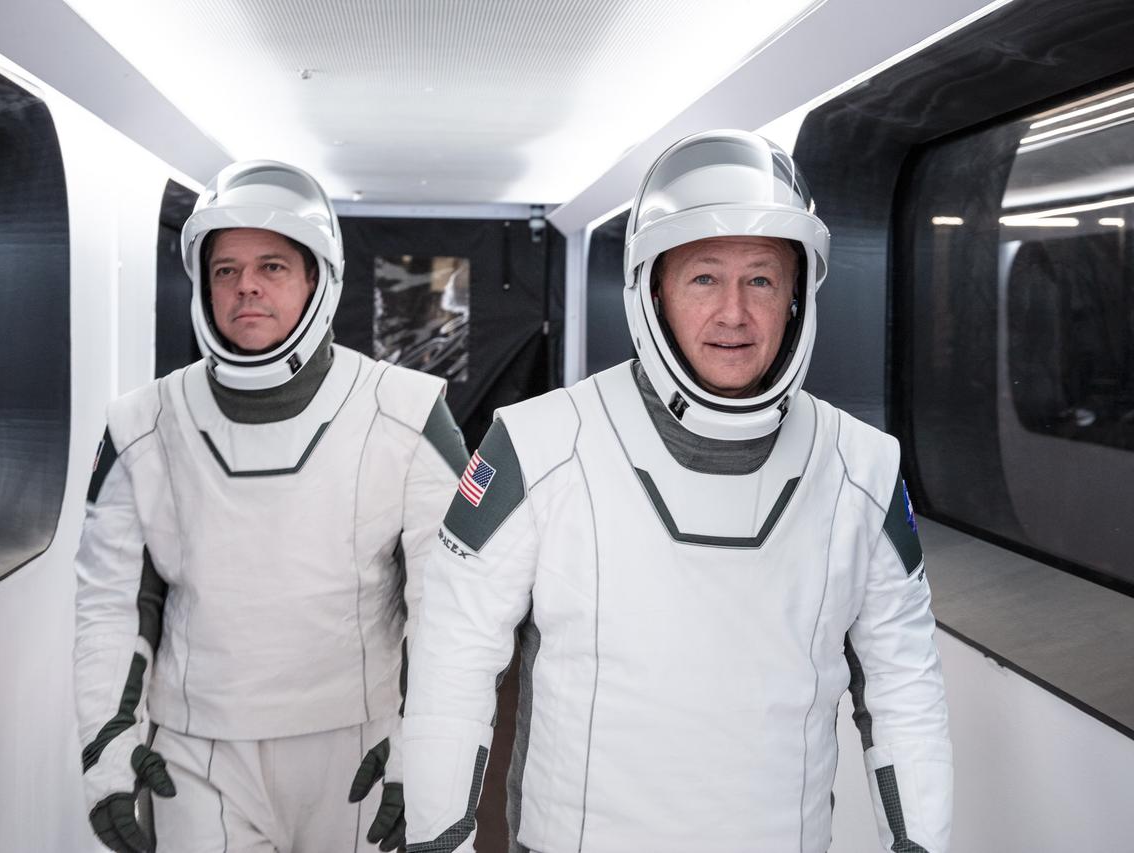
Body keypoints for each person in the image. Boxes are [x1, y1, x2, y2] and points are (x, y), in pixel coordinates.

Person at [402, 130, 952, 853]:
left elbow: (905, 690)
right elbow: (454, 653)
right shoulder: (539, 444)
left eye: (761, 278)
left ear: (797, 296)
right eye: (703, 278)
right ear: (652, 289)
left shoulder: (864, 468)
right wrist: (438, 838)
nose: (734, 312)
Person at [73, 160, 467, 853]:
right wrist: (106, 743)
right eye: (225, 269)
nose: (245, 285)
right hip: (198, 751)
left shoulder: (405, 412)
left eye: (272, 266)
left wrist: (429, 750)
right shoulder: (142, 423)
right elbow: (112, 600)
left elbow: (453, 602)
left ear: (317, 278)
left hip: (360, 746)